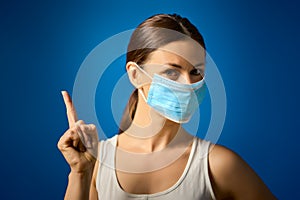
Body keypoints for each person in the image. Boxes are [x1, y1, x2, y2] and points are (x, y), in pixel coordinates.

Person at [57, 14, 276, 200]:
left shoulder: (218, 165)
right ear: (135, 75)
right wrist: (79, 173)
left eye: (196, 72)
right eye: (171, 72)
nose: (188, 85)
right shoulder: (95, 159)